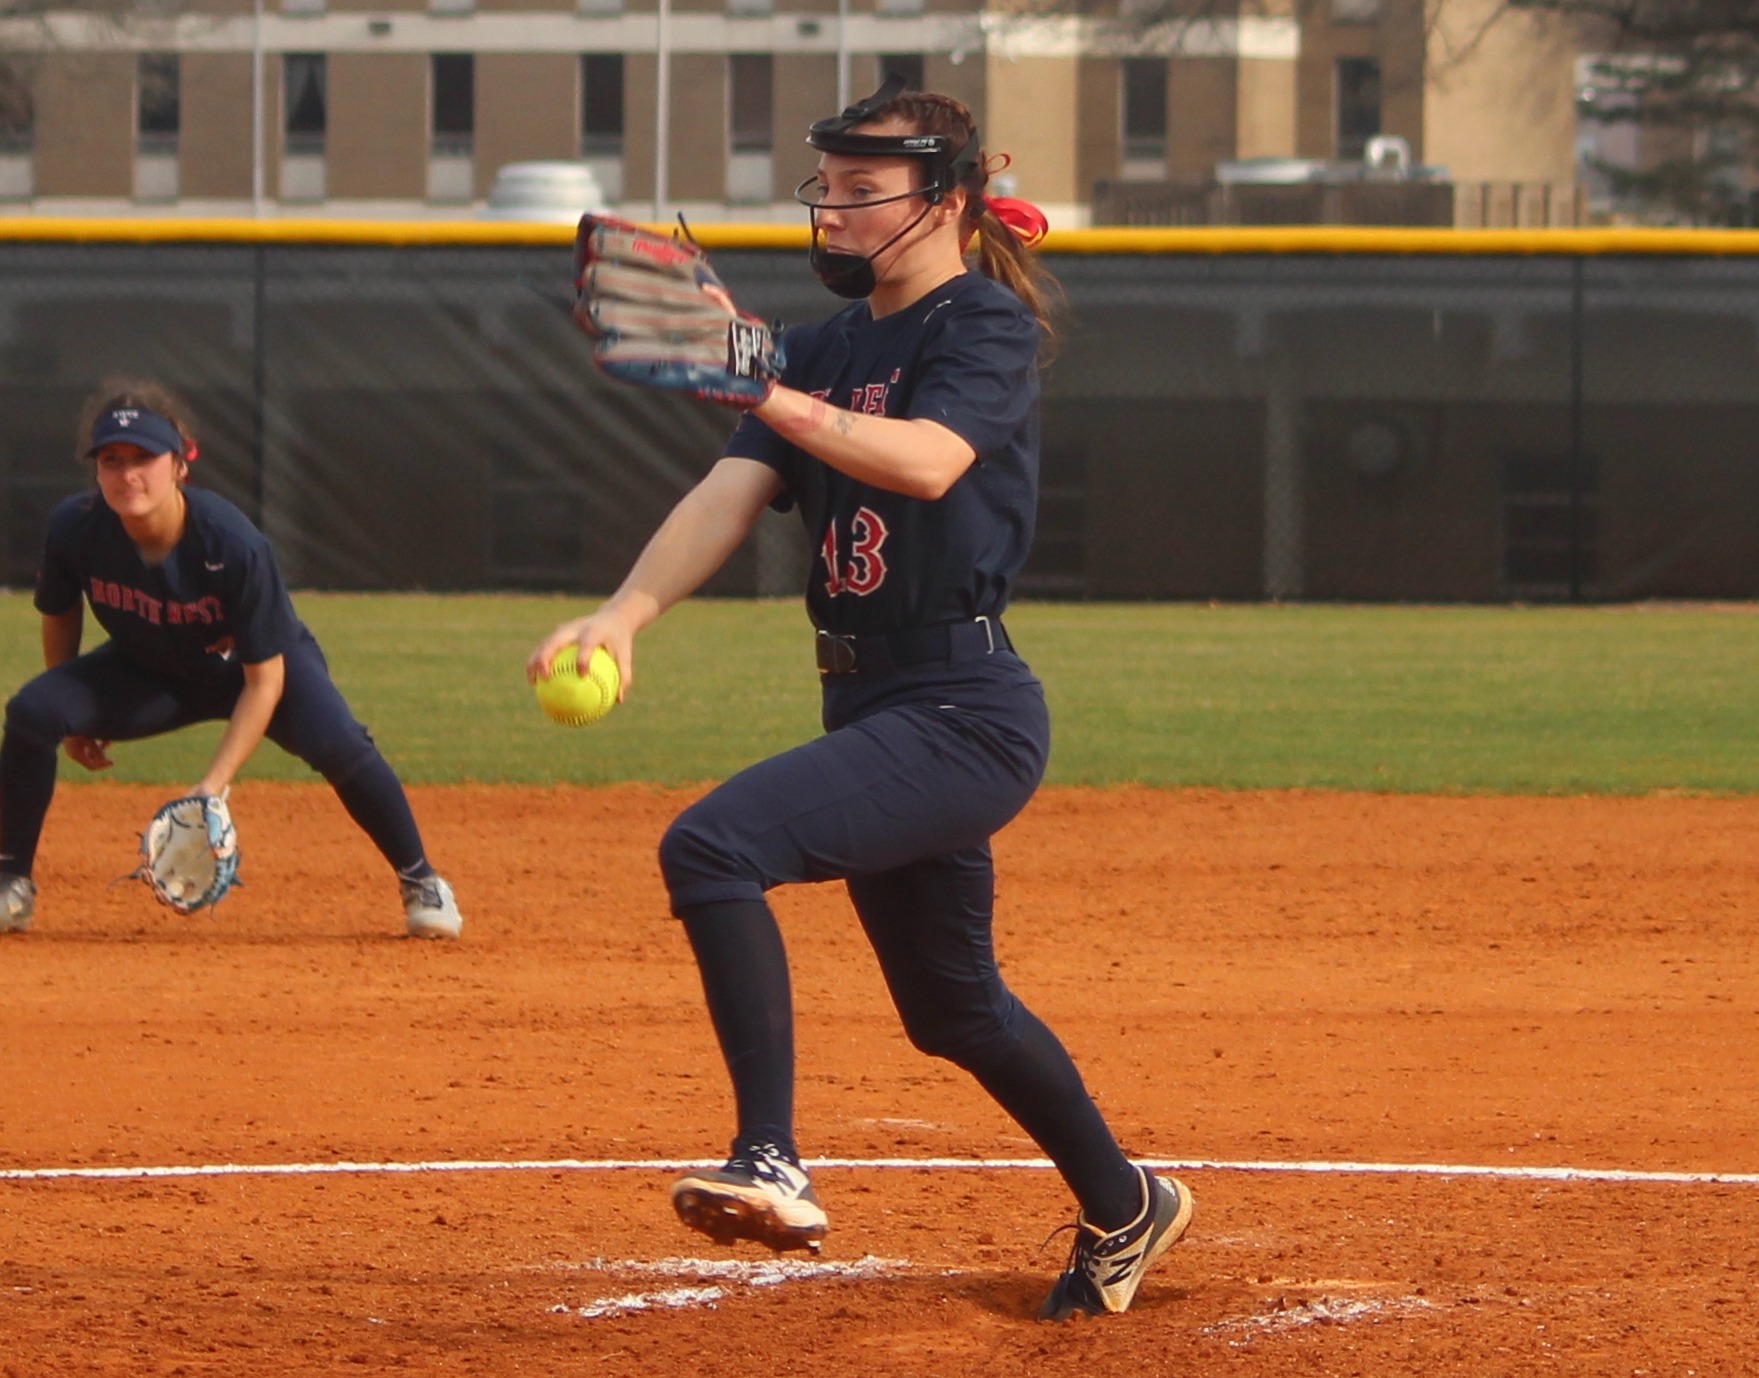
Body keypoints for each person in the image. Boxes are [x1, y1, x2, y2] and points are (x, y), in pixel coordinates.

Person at [529, 77, 1190, 1320]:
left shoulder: (978, 327)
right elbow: (725, 497)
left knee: (712, 845)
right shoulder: (826, 348)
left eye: (858, 187)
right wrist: (623, 614)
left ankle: (769, 1156)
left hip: (964, 708)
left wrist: (763, 385)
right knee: (954, 1010)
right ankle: (1125, 1203)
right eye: (822, 183)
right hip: (871, 706)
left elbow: (929, 460)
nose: (828, 207)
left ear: (939, 200)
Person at [0, 380, 463, 940]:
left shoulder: (232, 544)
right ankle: (11, 882)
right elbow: (59, 611)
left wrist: (213, 784)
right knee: (32, 711)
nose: (128, 474)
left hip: (255, 667)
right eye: (112, 460)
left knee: (338, 742)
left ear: (180, 465)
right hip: (149, 669)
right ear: (96, 470)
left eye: (145, 458)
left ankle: (422, 879)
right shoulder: (75, 527)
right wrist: (69, 714)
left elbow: (265, 681)